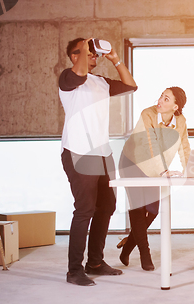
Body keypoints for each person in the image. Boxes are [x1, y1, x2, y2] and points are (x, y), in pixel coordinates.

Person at [59, 37, 137, 286]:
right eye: (87, 53)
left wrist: (115, 59)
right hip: (79, 152)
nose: (94, 57)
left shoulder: (101, 82)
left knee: (107, 206)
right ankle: (74, 270)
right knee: (85, 210)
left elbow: (131, 85)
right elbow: (80, 72)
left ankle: (95, 262)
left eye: (94, 54)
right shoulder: (69, 79)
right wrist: (84, 44)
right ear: (75, 55)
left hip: (102, 153)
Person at [117, 87, 190, 271]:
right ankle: (144, 252)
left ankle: (127, 246)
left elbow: (184, 146)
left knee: (153, 210)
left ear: (175, 106)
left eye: (166, 99)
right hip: (132, 162)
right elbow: (152, 144)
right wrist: (164, 170)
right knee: (138, 208)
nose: (160, 101)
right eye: (161, 96)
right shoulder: (147, 114)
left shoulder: (180, 121)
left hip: (152, 167)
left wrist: (189, 169)